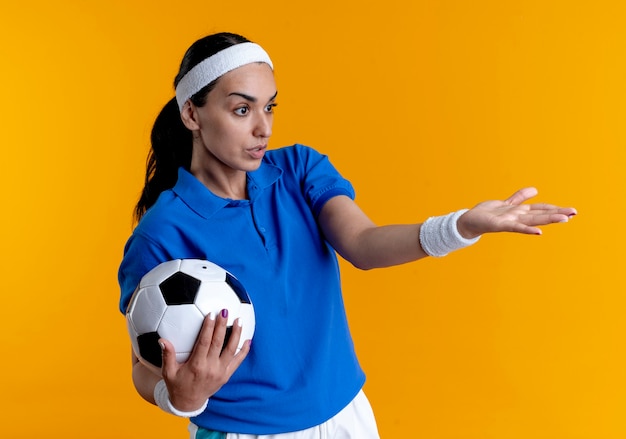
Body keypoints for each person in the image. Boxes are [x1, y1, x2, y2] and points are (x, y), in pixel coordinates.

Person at [118, 32, 577, 439]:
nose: (265, 128)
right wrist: (180, 399)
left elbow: (363, 244)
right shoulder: (162, 233)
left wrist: (460, 226)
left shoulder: (299, 169)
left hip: (346, 417)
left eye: (270, 106)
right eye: (242, 109)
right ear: (191, 114)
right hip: (246, 431)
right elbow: (145, 366)